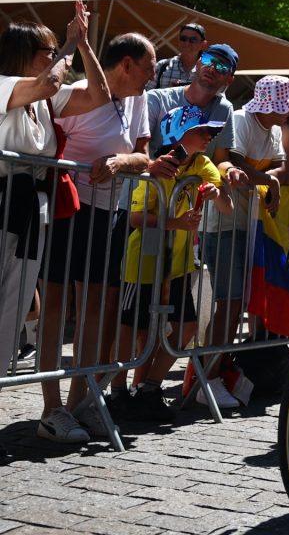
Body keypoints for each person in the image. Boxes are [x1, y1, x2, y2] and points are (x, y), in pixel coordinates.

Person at [0, 5, 110, 445]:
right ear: (27, 53)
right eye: (49, 50)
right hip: (2, 201)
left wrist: (82, 43)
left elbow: (99, 95)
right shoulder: (8, 85)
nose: (55, 58)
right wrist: (68, 42)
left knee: (10, 314)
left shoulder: (46, 101)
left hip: (30, 211)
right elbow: (47, 81)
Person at [42, 33, 156, 439]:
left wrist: (120, 160)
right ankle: (51, 408)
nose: (152, 76)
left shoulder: (139, 101)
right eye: (148, 68)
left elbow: (144, 157)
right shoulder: (76, 95)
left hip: (111, 214)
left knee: (96, 307)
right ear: (126, 64)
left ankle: (81, 401)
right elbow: (46, 144)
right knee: (56, 303)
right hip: (70, 210)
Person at [110, 106, 233, 422]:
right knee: (132, 326)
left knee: (188, 325)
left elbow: (227, 206)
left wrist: (216, 191)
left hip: (177, 264)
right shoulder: (156, 168)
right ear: (179, 132)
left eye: (212, 131)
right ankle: (118, 391)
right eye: (203, 130)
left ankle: (150, 387)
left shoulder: (202, 163)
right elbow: (136, 218)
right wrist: (176, 223)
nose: (210, 136)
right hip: (144, 260)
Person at [199, 75, 289, 409]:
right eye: (284, 107)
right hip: (225, 223)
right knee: (228, 305)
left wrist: (270, 180)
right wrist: (269, 182)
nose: (288, 113)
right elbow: (236, 164)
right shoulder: (241, 120)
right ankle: (207, 380)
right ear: (271, 105)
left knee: (236, 304)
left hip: (251, 226)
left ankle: (212, 374)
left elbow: (278, 169)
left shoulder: (272, 130)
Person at [148, 23, 207, 89]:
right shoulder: (162, 66)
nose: (187, 43)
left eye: (193, 39)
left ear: (203, 44)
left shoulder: (209, 70)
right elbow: (147, 95)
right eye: (183, 38)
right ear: (178, 41)